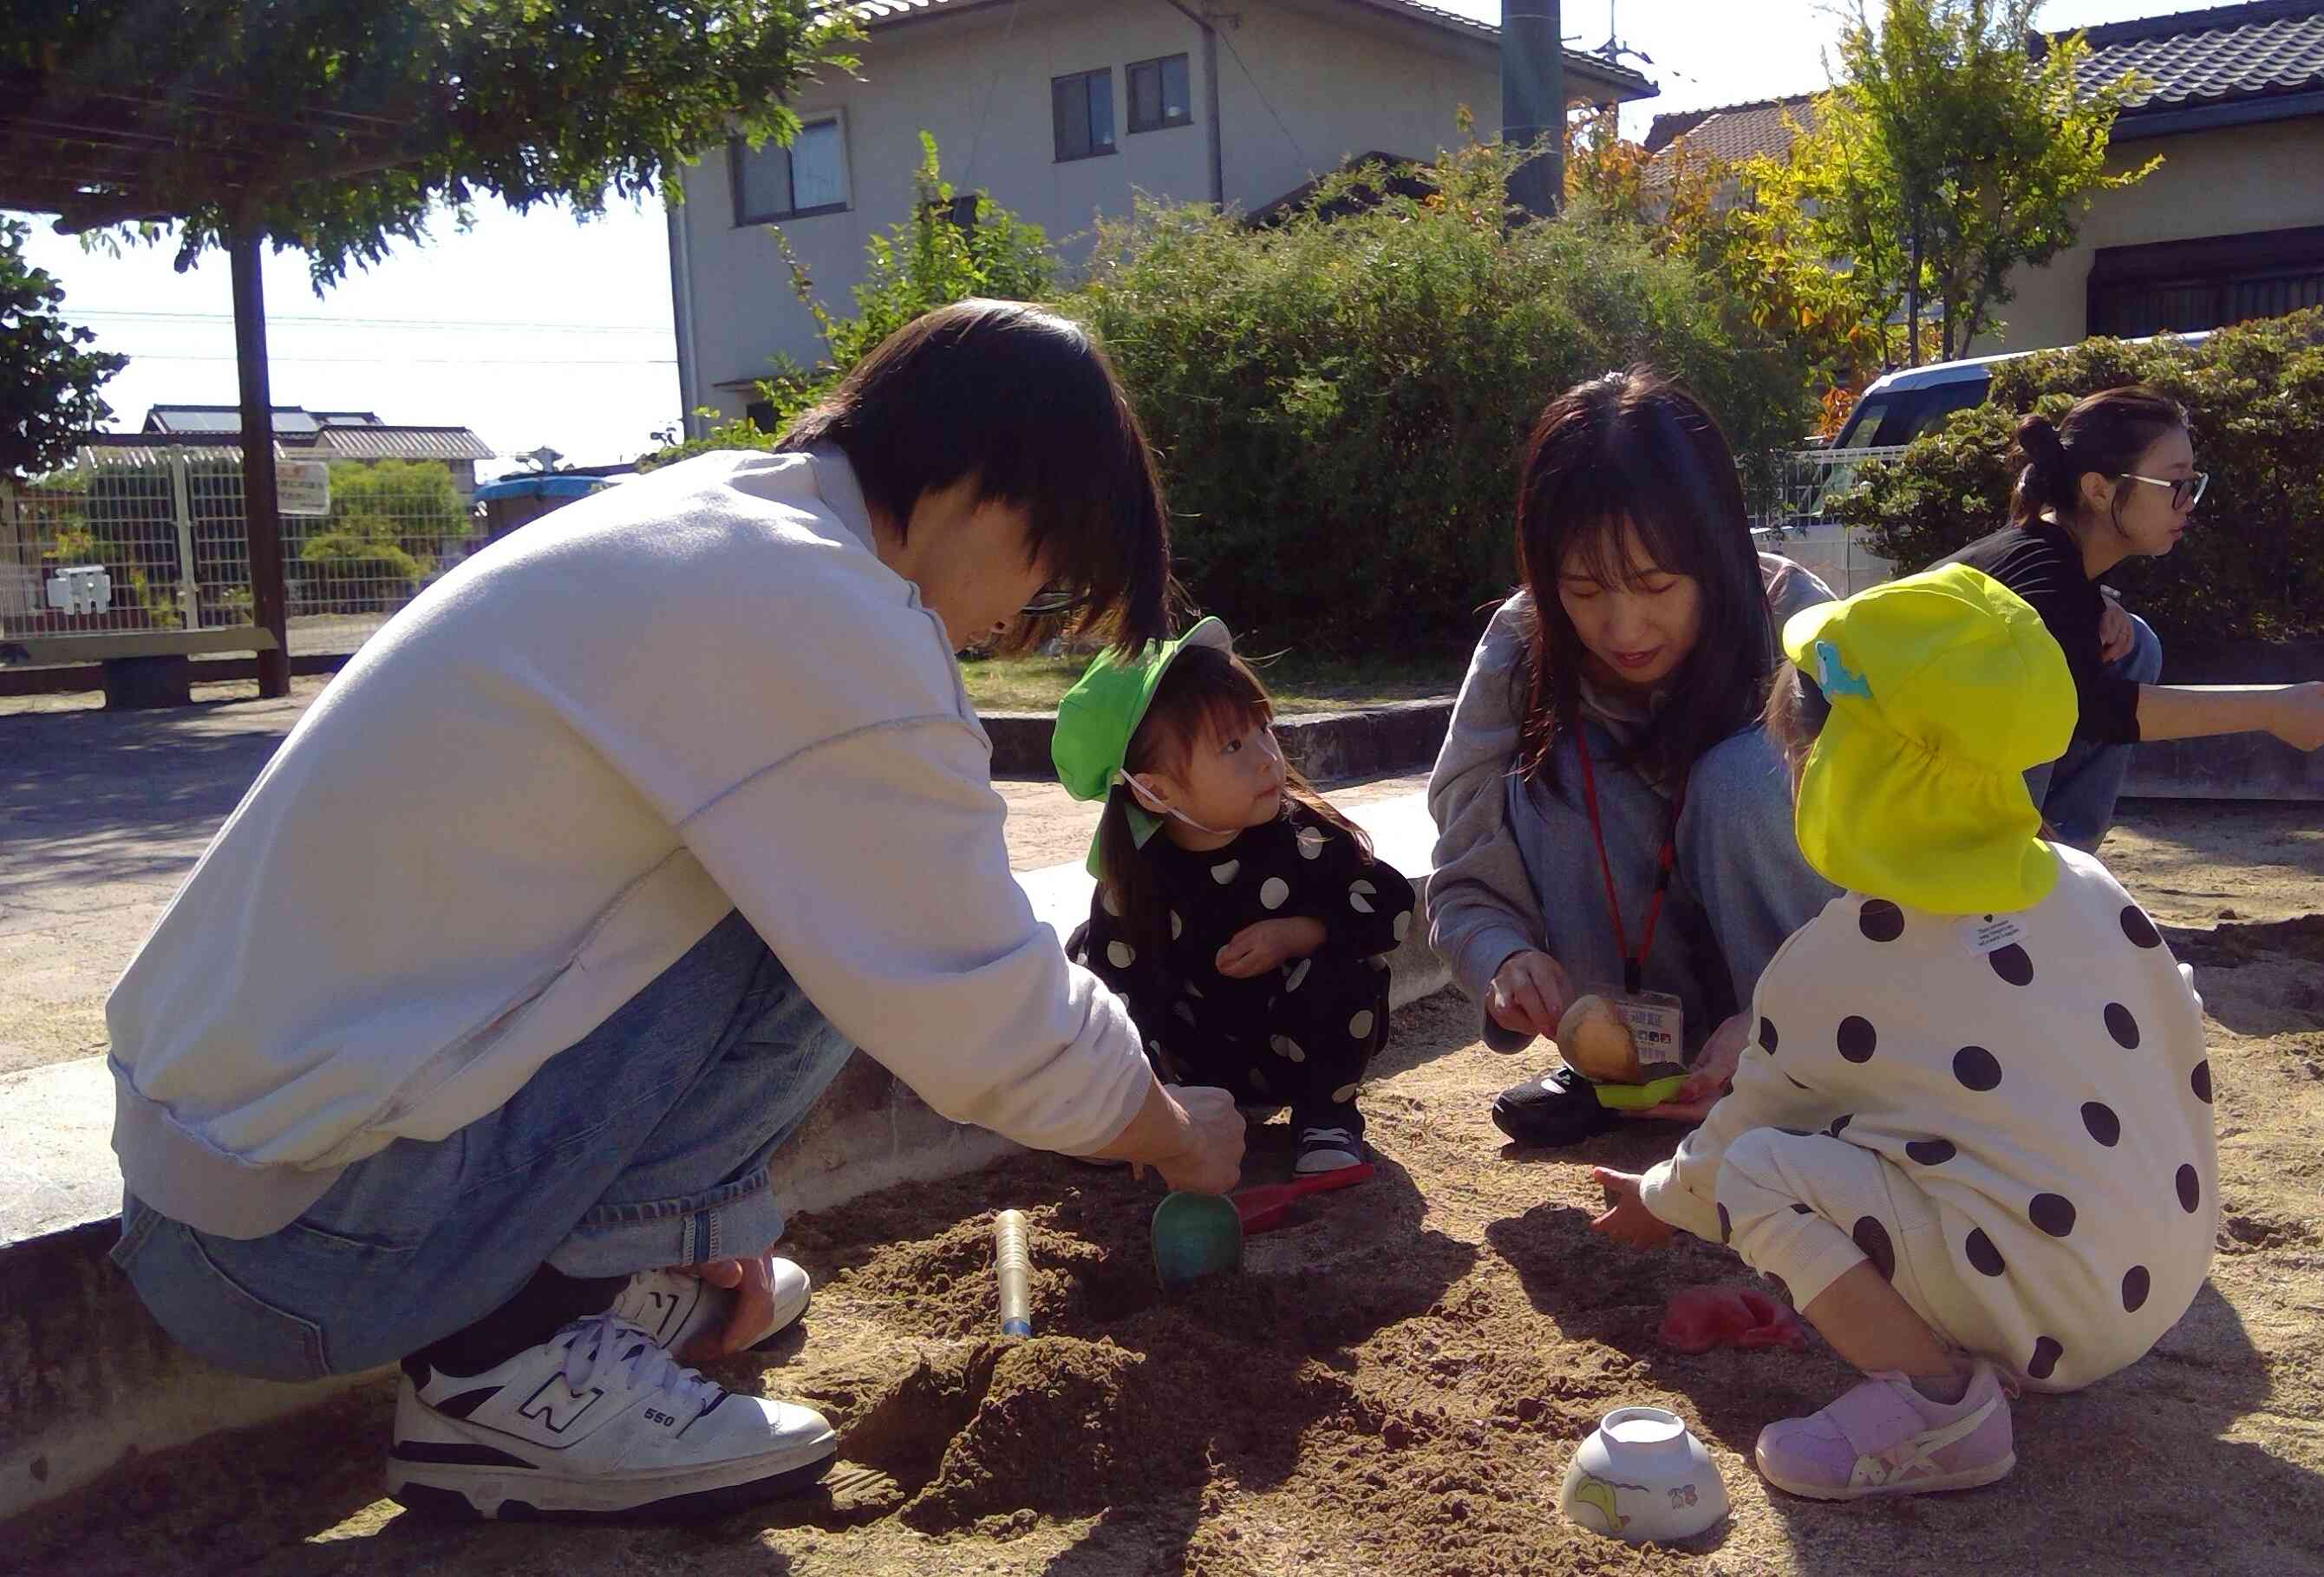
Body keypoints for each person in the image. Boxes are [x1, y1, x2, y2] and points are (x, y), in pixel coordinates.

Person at [99, 300, 1249, 1521]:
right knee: (830, 916)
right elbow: (980, 1003)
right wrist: (1170, 1130)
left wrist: (677, 1216)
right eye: (1044, 582)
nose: (1010, 627)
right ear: (982, 488)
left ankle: (582, 1279)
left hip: (223, 1175)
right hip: (299, 1240)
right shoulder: (830, 614)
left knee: (803, 880)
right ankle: (504, 1367)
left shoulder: (715, 518)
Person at [1584, 565, 2218, 1500]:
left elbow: (1731, 1153)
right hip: (2160, 1276)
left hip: (2058, 1314)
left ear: (1835, 779)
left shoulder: (1836, 960)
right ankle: (1999, 1312)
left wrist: (1655, 1196)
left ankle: (1938, 1410)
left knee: (1766, 1170)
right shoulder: (2085, 883)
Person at [1426, 370, 1841, 1150]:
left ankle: (1804, 1070)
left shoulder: (1797, 622)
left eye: (1655, 584)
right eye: (1582, 590)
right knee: (1557, 768)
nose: (1622, 628)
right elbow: (1464, 854)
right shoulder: (1524, 645)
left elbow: (1899, 863)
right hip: (1629, 1016)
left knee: (1746, 776)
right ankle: (1621, 1066)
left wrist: (1798, 1014)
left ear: (1716, 551)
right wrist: (1503, 956)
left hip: (1804, 1010)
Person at [1934, 387, 2324, 848]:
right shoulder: (2042, 578)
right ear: (2098, 489)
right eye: (2174, 485)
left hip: (1915, 776)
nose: (2188, 502)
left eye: (2193, 484)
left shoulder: (2048, 554)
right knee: (2071, 685)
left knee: (2133, 643)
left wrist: (2101, 599)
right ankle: (2024, 866)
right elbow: (2092, 710)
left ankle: (2057, 862)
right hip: (1894, 813)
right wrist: (2271, 710)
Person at [1056, 617, 1419, 1174]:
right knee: (1091, 966)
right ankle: (1140, 1117)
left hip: (1289, 1053)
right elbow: (1123, 997)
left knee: (1349, 973)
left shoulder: (1305, 838)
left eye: (1263, 729)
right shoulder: (1136, 883)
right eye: (1231, 745)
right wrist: (1141, 1109)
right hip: (1191, 1072)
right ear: (1156, 792)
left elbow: (1391, 907)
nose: (1268, 758)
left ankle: (1327, 1117)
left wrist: (1303, 931)